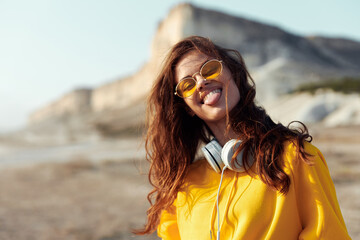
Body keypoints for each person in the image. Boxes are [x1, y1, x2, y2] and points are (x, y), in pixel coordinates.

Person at [135, 36, 351, 239]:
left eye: (210, 69)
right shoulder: (185, 184)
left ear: (234, 74)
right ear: (187, 107)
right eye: (187, 84)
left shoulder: (296, 157)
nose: (200, 82)